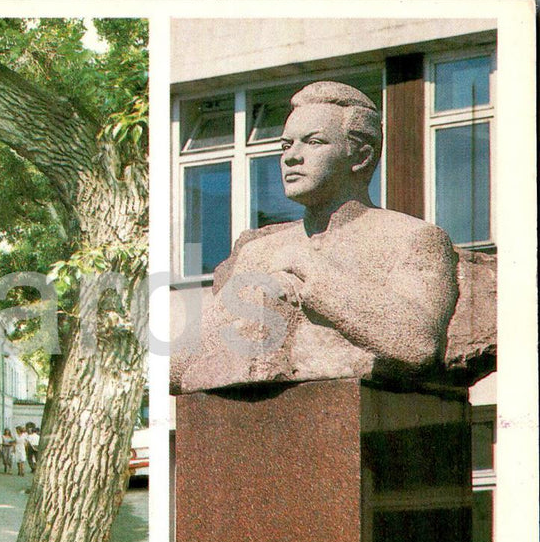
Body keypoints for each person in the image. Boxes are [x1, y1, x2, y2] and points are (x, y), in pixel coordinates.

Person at [171, 81, 460, 395]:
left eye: (314, 142)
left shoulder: (413, 239)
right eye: (286, 145)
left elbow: (417, 345)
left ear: (360, 156)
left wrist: (308, 271)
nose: (291, 157)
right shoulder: (260, 252)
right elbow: (178, 366)